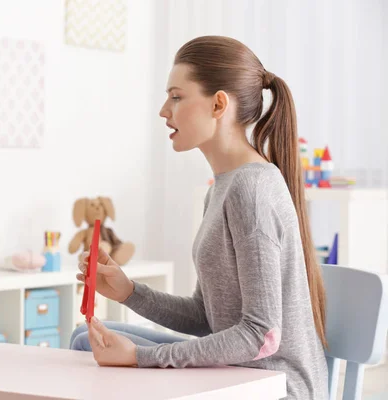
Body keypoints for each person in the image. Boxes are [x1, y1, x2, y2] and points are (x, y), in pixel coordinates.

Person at [70, 35, 328, 399]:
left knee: (91, 349)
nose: (164, 110)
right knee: (85, 339)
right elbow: (206, 318)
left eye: (176, 96)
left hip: (276, 386)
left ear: (218, 104)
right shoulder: (223, 186)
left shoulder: (250, 191)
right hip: (238, 373)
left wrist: (142, 358)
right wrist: (129, 292)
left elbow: (260, 335)